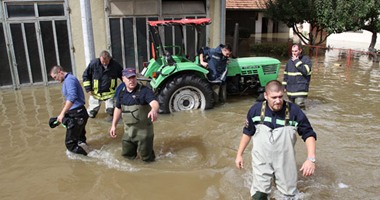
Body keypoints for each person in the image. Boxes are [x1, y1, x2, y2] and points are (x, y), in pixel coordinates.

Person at [235, 80, 317, 199]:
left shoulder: (295, 111)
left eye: (280, 96)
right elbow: (248, 132)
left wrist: (311, 159)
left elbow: (308, 134)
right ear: (266, 96)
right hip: (261, 160)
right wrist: (239, 155)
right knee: (259, 195)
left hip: (285, 160)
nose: (278, 101)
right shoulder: (255, 111)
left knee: (288, 195)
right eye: (274, 97)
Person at [109, 68, 159, 162]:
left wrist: (154, 110)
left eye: (133, 77)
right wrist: (113, 126)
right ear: (123, 79)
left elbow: (154, 102)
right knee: (126, 159)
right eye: (129, 78)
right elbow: (118, 108)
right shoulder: (121, 93)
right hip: (128, 132)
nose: (131, 80)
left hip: (144, 134)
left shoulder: (144, 91)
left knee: (147, 160)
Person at [50, 65, 90, 156]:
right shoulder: (69, 79)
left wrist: (62, 113)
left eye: (55, 77)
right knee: (80, 140)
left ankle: (90, 159)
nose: (55, 79)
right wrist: (63, 114)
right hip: (79, 114)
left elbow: (72, 97)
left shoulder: (69, 80)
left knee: (70, 144)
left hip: (77, 115)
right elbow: (70, 100)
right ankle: (88, 153)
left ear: (60, 71)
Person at [82, 50, 123, 118]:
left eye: (106, 61)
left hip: (110, 94)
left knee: (112, 112)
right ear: (99, 58)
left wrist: (127, 85)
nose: (104, 63)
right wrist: (88, 89)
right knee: (91, 114)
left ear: (109, 59)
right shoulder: (94, 64)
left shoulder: (115, 65)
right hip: (95, 93)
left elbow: (122, 75)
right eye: (102, 62)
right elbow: (86, 76)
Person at [282, 43, 312, 108]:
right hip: (290, 91)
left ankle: (303, 117)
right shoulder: (289, 61)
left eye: (295, 51)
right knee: (292, 109)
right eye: (292, 51)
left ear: (300, 50)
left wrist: (296, 61)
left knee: (299, 106)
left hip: (301, 89)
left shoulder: (306, 59)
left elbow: (306, 71)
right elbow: (286, 75)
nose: (294, 53)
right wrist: (284, 87)